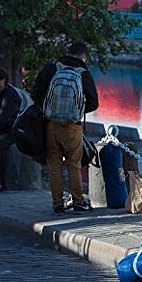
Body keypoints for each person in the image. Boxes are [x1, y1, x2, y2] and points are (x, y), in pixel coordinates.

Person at [31, 41, 99, 214]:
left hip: (51, 125)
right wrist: (77, 110)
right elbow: (94, 103)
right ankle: (77, 201)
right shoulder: (83, 73)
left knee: (54, 166)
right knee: (74, 165)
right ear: (83, 56)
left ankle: (57, 205)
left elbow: (36, 94)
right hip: (72, 127)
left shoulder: (52, 68)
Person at [0, 67, 22, 194]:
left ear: (3, 80)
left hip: (14, 131)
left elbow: (1, 119)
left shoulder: (9, 95)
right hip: (1, 129)